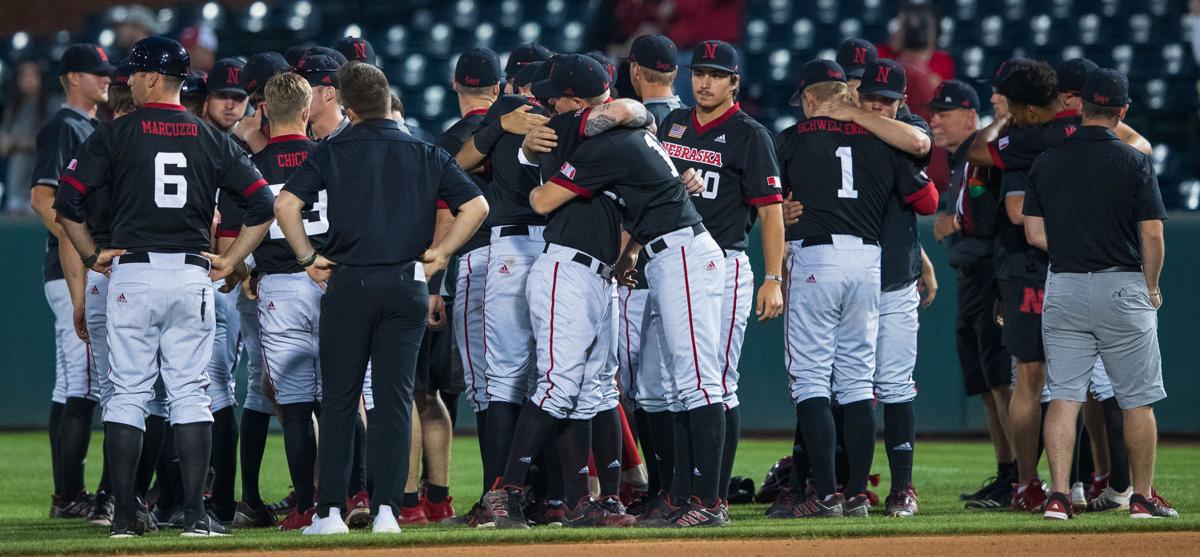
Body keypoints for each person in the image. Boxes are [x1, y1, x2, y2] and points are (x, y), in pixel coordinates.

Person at [54, 36, 275, 538]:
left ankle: (126, 517)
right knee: (190, 395)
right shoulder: (210, 136)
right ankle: (197, 517)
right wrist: (232, 260)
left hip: (131, 272)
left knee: (127, 395)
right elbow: (262, 204)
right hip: (192, 274)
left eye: (133, 72)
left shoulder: (115, 133)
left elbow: (67, 201)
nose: (126, 79)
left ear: (153, 78)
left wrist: (91, 255)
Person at [276, 61, 488, 535]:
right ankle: (389, 512)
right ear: (387, 97)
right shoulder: (424, 150)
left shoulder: (333, 150)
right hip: (406, 283)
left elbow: (285, 205)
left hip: (348, 282)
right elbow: (476, 205)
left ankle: (329, 513)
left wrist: (309, 260)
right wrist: (441, 254)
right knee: (393, 400)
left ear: (347, 107)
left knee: (338, 399)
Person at [966, 59, 1151, 512]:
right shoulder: (1099, 136)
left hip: (1040, 265)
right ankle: (1099, 482)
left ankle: (1047, 486)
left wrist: (1007, 118)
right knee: (1090, 385)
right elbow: (1142, 149)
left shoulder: (1029, 139)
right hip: (1083, 267)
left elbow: (975, 153)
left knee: (1046, 382)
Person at [480, 54, 655, 529]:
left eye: (553, 95)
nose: (544, 102)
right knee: (560, 384)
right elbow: (633, 111)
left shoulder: (592, 129)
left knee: (597, 390)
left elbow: (636, 115)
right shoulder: (570, 126)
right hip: (566, 270)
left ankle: (590, 502)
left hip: (599, 272)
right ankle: (505, 492)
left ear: (575, 97)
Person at [775, 59, 938, 519]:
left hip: (816, 257)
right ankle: (855, 496)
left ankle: (825, 494)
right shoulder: (880, 140)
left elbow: (761, 197)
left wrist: (778, 216)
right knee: (856, 382)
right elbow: (923, 195)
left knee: (811, 378)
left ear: (810, 98)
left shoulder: (790, 137)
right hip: (868, 262)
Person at [1022, 68, 1177, 520]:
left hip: (1065, 284)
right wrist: (1151, 285)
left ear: (1080, 107)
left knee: (1064, 395)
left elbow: (1033, 232)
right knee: (1137, 399)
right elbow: (1153, 236)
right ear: (1123, 111)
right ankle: (1142, 498)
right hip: (1123, 284)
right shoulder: (1135, 160)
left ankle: (1058, 496)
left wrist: (1073, 244)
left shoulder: (1047, 160)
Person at [650, 39, 784, 522]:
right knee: (680, 384)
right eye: (698, 72)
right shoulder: (674, 123)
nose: (704, 81)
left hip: (723, 264)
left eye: (715, 74)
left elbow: (771, 213)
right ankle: (681, 495)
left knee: (716, 384)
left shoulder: (750, 134)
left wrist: (773, 277)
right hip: (672, 264)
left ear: (734, 82)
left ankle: (713, 500)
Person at [29, 42, 113, 521]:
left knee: (71, 384)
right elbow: (43, 197)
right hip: (69, 272)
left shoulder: (86, 125)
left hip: (71, 268)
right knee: (82, 382)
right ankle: (69, 495)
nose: (105, 78)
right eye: (96, 72)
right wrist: (80, 248)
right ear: (73, 78)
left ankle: (67, 494)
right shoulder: (65, 125)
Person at [929, 79, 1017, 510]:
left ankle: (1019, 477)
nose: (934, 121)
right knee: (986, 384)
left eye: (943, 114)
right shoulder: (963, 159)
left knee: (1002, 383)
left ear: (970, 117)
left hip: (991, 275)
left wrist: (957, 223)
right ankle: (1006, 474)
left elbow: (989, 218)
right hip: (971, 277)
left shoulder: (985, 154)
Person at [1, 59, 55, 213]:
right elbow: (4, 146)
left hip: (43, 181)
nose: (28, 80)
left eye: (33, 75)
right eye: (24, 76)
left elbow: (51, 141)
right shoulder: (12, 108)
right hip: (15, 183)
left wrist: (18, 142)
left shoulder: (52, 105)